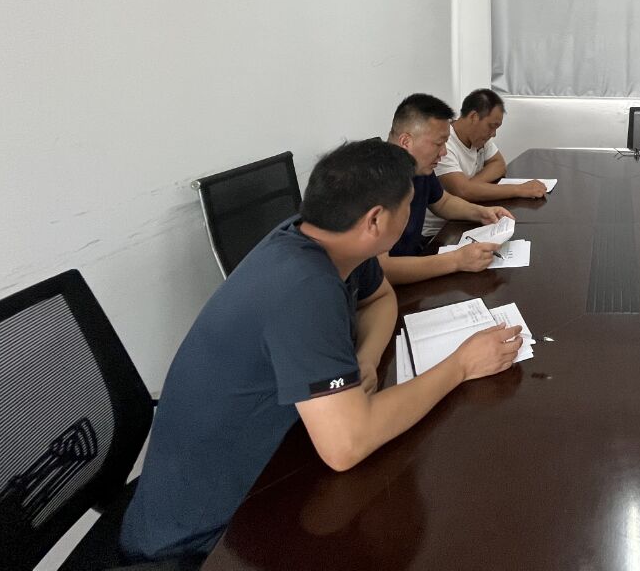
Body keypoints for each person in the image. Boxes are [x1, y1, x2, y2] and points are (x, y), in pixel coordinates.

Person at [119, 139, 522, 561]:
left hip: (279, 458)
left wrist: (365, 358)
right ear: (375, 219)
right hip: (204, 536)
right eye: (408, 205)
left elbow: (379, 297)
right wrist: (461, 365)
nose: (412, 214)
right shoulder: (303, 288)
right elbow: (346, 445)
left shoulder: (328, 237)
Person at [381, 93, 515, 285]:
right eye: (438, 143)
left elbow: (443, 202)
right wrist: (457, 260)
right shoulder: (374, 181)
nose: (444, 152)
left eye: (445, 143)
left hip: (417, 259)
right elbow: (382, 271)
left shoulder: (419, 167)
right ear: (405, 142)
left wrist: (481, 213)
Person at [432, 89, 547, 203]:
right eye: (491, 126)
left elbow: (499, 164)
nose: (494, 134)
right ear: (474, 117)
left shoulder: (479, 138)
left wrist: (472, 186)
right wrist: (520, 189)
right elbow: (462, 191)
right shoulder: (443, 144)